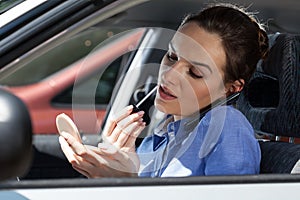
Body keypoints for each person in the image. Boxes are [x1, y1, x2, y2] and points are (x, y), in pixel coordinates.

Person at [59, 3, 269, 178]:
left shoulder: (228, 126)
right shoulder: (157, 138)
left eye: (194, 72)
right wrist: (123, 165)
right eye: (171, 56)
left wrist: (126, 183)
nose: (168, 75)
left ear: (231, 87)